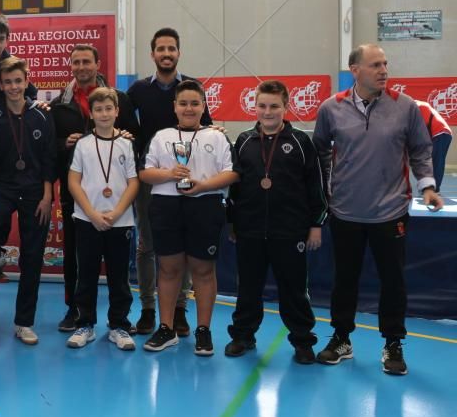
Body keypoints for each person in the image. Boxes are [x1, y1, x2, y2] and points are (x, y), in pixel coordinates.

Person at [313, 44, 443, 376]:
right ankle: (341, 338)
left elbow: (420, 149)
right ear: (354, 70)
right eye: (375, 65)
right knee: (344, 280)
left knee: (393, 281)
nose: (384, 70)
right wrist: (330, 188)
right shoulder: (331, 108)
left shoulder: (406, 107)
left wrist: (427, 185)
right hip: (345, 213)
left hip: (390, 212)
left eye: (385, 64)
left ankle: (393, 344)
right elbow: (320, 152)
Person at [226, 81, 326, 365]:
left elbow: (315, 185)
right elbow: (234, 188)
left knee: (293, 289)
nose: (267, 112)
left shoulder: (300, 142)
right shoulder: (244, 141)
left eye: (274, 106)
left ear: (285, 107)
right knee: (248, 287)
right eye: (262, 106)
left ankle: (303, 341)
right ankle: (243, 335)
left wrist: (316, 223)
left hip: (290, 230)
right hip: (250, 230)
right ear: (254, 106)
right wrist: (233, 222)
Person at [138, 79, 236, 356]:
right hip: (166, 206)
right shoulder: (161, 137)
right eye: (183, 103)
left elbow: (232, 173)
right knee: (168, 269)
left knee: (203, 271)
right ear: (175, 107)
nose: (189, 108)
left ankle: (203, 330)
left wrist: (204, 186)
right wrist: (170, 174)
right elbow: (145, 173)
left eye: (195, 103)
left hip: (205, 205)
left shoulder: (217, 137)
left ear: (204, 106)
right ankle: (166, 327)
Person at [126, 27, 212, 336]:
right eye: (160, 48)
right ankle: (149, 309)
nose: (166, 53)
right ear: (152, 54)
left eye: (171, 48)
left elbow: (207, 129)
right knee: (148, 245)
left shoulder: (191, 88)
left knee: (185, 246)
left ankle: (179, 310)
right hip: (150, 180)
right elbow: (125, 128)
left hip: (186, 180)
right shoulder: (137, 90)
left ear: (178, 52)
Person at [0, 57, 56, 346]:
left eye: (18, 81)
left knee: (32, 259)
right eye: (8, 82)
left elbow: (48, 159)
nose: (14, 86)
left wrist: (47, 196)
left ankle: (24, 323)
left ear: (26, 81)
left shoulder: (42, 114)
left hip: (34, 193)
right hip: (2, 189)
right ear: (1, 86)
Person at [52, 44, 139, 333]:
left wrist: (127, 135)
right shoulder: (60, 105)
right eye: (75, 62)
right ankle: (74, 311)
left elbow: (132, 137)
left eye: (86, 61)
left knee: (117, 268)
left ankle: (119, 321)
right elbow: (50, 146)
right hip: (77, 197)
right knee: (76, 259)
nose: (81, 67)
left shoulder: (120, 100)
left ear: (98, 63)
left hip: (116, 200)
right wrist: (63, 143)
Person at [65, 87, 140, 351]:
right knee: (85, 274)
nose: (104, 113)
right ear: (92, 114)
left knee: (119, 277)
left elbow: (133, 182)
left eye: (109, 108)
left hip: (120, 222)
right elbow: (73, 182)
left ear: (117, 111)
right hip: (88, 220)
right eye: (99, 109)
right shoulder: (83, 145)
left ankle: (118, 325)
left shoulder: (127, 144)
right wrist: (92, 214)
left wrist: (117, 212)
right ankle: (85, 323)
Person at [414, 99, 452, 192]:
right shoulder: (417, 107)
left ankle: (434, 188)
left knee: (436, 161)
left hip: (440, 133)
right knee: (431, 162)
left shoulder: (418, 106)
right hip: (439, 134)